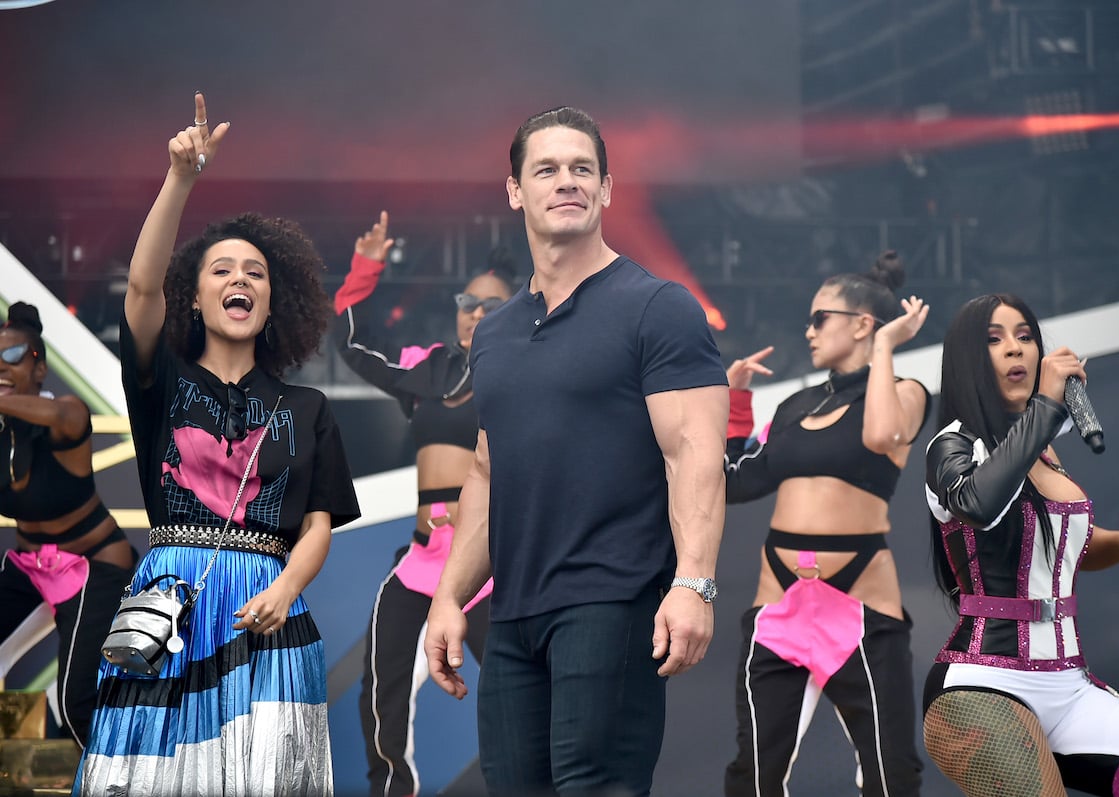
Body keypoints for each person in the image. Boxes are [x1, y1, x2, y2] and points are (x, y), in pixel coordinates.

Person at [422, 106, 729, 797]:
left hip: (612, 601)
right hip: (514, 614)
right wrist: (449, 596)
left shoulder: (658, 307)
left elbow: (694, 456)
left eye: (582, 169)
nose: (567, 182)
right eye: (548, 169)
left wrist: (695, 582)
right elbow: (487, 471)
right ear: (515, 190)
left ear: (607, 189)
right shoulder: (495, 333)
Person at [73, 93, 360, 797]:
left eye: (256, 273)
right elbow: (141, 286)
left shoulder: (307, 407)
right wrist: (181, 178)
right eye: (222, 270)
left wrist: (286, 587)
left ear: (272, 302)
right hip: (170, 605)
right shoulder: (160, 382)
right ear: (193, 298)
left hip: (268, 611)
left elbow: (318, 522)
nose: (240, 279)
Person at [923, 293, 1119, 796]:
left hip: (1069, 684)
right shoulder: (953, 445)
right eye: (995, 339)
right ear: (967, 360)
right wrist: (1047, 407)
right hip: (984, 683)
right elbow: (979, 506)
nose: (1016, 350)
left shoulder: (1046, 452)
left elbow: (1064, 555)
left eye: (1026, 336)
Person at [722, 252, 929, 797]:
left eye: (820, 319)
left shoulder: (907, 393)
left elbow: (881, 436)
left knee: (890, 772)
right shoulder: (794, 405)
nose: (807, 331)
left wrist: (885, 349)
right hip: (780, 603)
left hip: (859, 602)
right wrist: (737, 405)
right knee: (754, 774)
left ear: (862, 324)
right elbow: (735, 482)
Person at [333, 210, 513, 797]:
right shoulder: (430, 366)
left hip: (488, 564)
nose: (476, 312)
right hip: (419, 561)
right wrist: (367, 267)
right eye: (468, 300)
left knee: (520, 695)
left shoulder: (525, 373)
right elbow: (355, 342)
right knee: (381, 693)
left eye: (492, 305)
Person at [0, 301, 137, 747]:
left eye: (14, 356)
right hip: (30, 568)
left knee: (77, 702)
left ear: (39, 368)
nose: (2, 365)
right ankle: (21, 764)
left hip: (92, 565)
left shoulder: (66, 411)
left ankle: (109, 780)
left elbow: (63, 418)